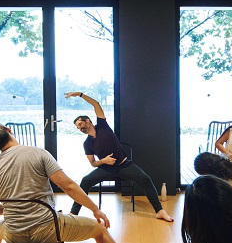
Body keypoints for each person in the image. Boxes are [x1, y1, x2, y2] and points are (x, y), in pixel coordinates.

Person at [0, 120, 148, 243]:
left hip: (14, 235)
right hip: (49, 230)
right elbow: (68, 186)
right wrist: (95, 209)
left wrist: (9, 208)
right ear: (8, 130)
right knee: (100, 230)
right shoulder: (37, 153)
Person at [65, 91, 173, 222]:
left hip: (124, 165)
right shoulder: (87, 143)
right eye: (78, 128)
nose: (80, 128)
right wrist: (103, 161)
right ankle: (73, 213)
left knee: (145, 179)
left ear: (87, 121)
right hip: (106, 169)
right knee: (85, 181)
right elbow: (93, 163)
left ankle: (160, 211)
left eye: (80, 124)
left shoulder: (103, 127)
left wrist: (80, 95)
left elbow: (96, 104)